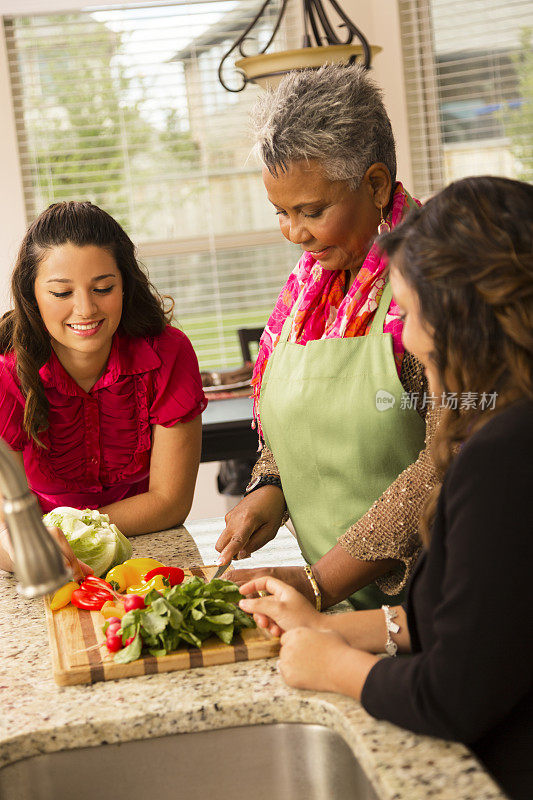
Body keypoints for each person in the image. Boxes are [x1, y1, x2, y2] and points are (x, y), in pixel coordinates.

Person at [238, 176, 533, 800]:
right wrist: (318, 622)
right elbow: (453, 623)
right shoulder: (500, 429)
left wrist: (334, 665)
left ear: (460, 314)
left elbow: (456, 694)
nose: (406, 335)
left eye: (412, 312)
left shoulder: (504, 457)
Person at [216, 63, 439, 610]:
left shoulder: (437, 283)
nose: (295, 233)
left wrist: (321, 583)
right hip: (325, 604)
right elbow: (299, 423)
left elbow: (449, 460)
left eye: (312, 211)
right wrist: (269, 487)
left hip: (428, 609)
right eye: (282, 213)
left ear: (377, 184)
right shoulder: (307, 291)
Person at [0, 200, 206, 575]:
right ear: (32, 296)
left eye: (103, 288)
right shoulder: (5, 375)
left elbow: (171, 501)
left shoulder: (169, 353)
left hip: (151, 549)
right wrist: (28, 546)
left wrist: (77, 534)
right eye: (62, 293)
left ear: (124, 284)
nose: (85, 309)